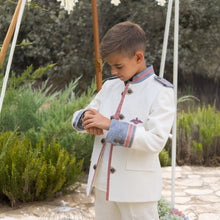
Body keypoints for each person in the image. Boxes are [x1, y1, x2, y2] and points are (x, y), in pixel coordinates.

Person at [72, 21, 175, 220]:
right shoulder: (111, 86)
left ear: (138, 57)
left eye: (118, 66)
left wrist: (110, 125)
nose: (112, 72)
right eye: (110, 66)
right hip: (103, 183)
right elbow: (86, 113)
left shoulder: (160, 91)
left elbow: (155, 140)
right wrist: (88, 120)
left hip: (137, 190)